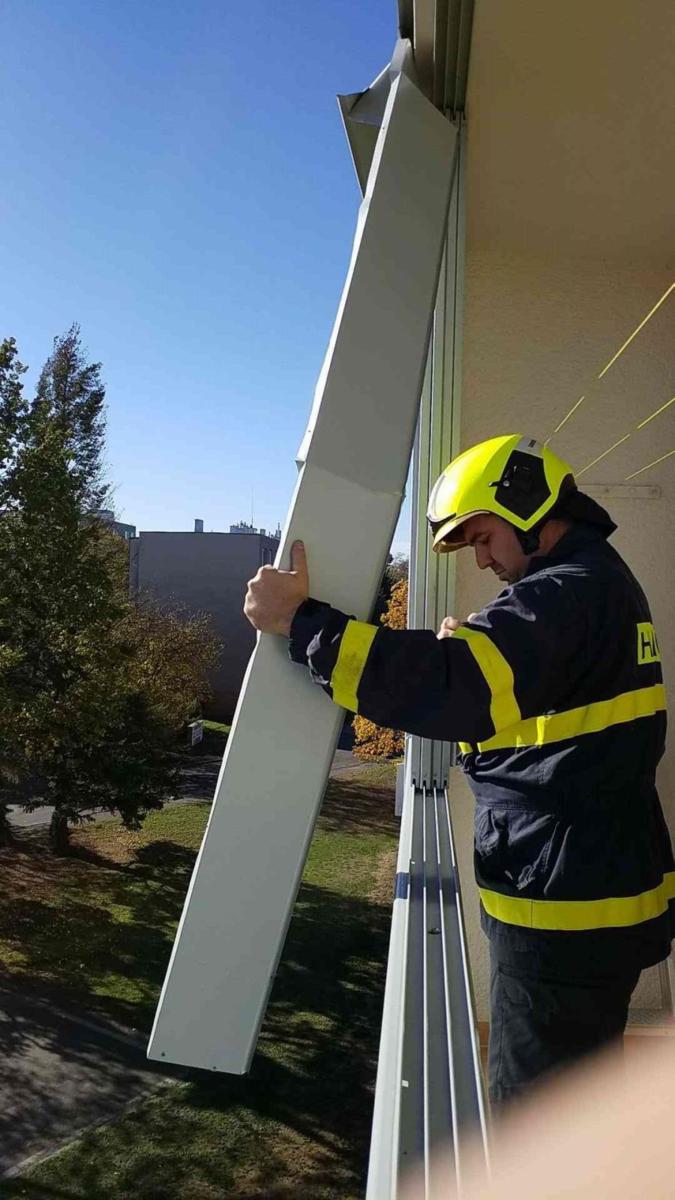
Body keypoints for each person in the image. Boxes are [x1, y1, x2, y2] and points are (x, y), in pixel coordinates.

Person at [244, 433, 674, 1106]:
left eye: (481, 537)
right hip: (595, 883)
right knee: (582, 1088)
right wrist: (470, 653)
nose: (481, 559)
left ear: (524, 505)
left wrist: (302, 624)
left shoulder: (565, 593)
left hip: (561, 910)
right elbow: (537, 720)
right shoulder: (596, 582)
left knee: (539, 1121)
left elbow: (450, 692)